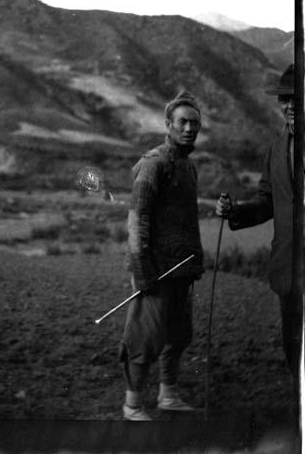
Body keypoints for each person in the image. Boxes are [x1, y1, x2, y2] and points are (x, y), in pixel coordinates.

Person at [216, 63, 301, 394]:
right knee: (294, 350)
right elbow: (267, 201)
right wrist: (235, 210)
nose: (290, 105)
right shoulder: (277, 148)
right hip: (289, 269)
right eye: (284, 98)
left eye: (298, 97)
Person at [120, 90, 204, 420]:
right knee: (144, 338)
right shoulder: (153, 165)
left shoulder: (189, 166)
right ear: (168, 125)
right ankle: (132, 405)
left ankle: (168, 395)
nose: (189, 128)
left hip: (181, 269)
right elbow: (137, 219)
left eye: (194, 123)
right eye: (182, 122)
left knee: (179, 335)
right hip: (155, 271)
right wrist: (142, 269)